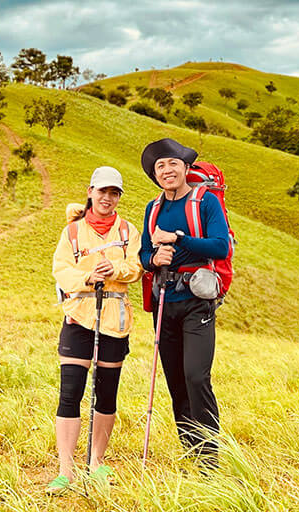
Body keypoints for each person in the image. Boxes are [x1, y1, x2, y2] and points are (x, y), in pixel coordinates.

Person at [48, 165, 142, 495]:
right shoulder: (72, 232)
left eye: (114, 193)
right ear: (90, 192)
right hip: (79, 318)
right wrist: (87, 277)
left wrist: (115, 267)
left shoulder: (128, 230)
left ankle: (97, 463)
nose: (107, 198)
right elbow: (61, 269)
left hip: (115, 319)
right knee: (70, 392)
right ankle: (66, 471)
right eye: (102, 191)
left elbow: (137, 267)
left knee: (106, 392)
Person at [138, 137, 230, 464]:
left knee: (195, 375)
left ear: (186, 168)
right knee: (176, 380)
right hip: (165, 299)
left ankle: (210, 458)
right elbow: (143, 254)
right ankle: (191, 450)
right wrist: (154, 259)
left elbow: (221, 247)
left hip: (196, 301)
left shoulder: (205, 202)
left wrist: (179, 239)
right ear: (155, 175)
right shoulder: (153, 208)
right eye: (160, 166)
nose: (167, 170)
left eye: (173, 163)